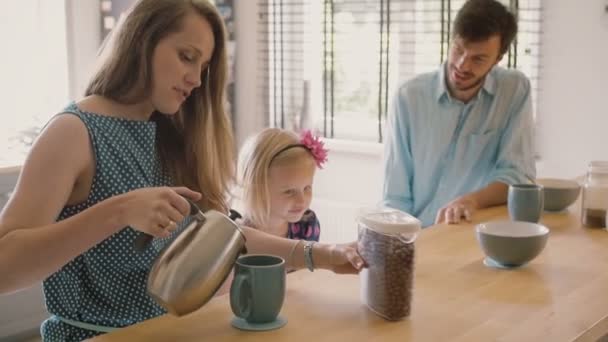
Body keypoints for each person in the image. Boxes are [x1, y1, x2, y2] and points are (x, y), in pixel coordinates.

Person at [0, 1, 364, 341]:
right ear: (141, 41)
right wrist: (119, 211)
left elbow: (222, 235)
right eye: (186, 57)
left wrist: (322, 254)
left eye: (203, 67)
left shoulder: (171, 134)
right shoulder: (74, 132)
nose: (196, 80)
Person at [382, 0, 536, 227]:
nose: (462, 65)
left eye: (478, 58)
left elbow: (517, 177)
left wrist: (472, 200)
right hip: (418, 234)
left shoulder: (514, 91)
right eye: (458, 49)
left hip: (472, 233)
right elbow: (395, 196)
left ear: (498, 59)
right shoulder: (408, 98)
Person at [236, 128, 329, 242]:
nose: (301, 201)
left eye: (307, 188)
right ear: (257, 189)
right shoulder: (237, 233)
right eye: (289, 191)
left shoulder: (307, 225)